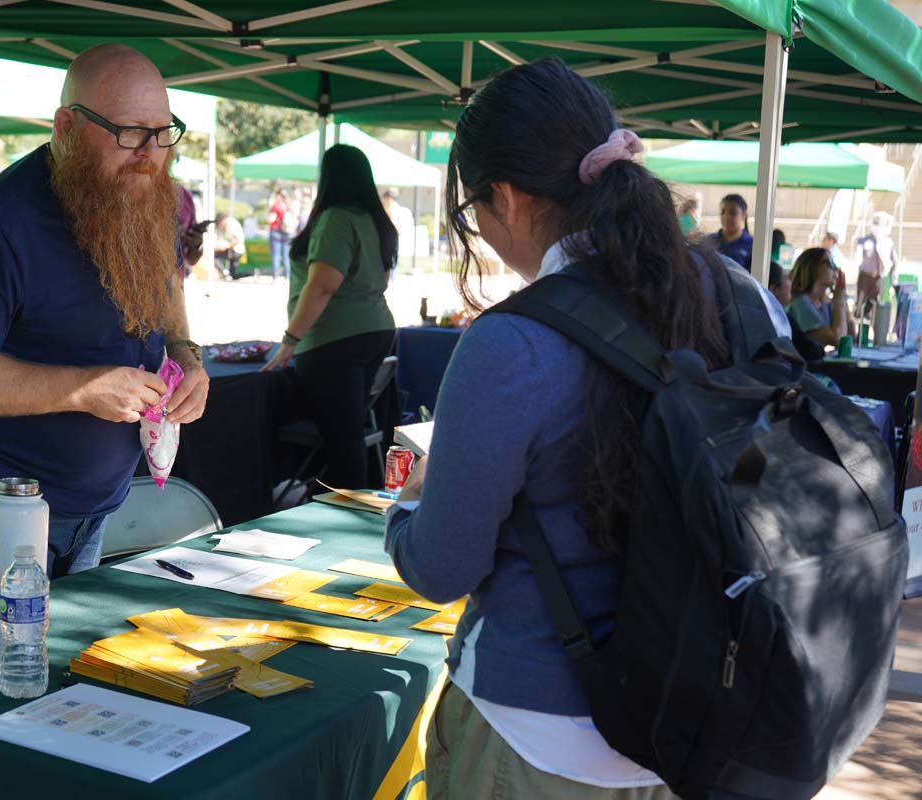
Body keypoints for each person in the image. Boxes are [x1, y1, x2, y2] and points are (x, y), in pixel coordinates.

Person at [384, 59, 739, 800]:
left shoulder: (510, 343)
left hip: (532, 739)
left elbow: (441, 570)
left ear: (505, 198)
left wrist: (407, 504)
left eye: (471, 212)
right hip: (692, 722)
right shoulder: (724, 290)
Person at [0, 44, 209, 591]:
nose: (150, 152)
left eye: (164, 132)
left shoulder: (152, 196)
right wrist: (82, 390)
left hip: (97, 498)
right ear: (67, 127)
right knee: (6, 665)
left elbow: (168, 287)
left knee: (68, 662)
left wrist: (186, 354)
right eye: (130, 132)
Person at [263, 144, 398, 491]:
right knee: (348, 433)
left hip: (334, 338)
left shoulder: (336, 218)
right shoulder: (374, 220)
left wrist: (290, 340)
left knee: (342, 439)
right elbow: (381, 279)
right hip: (376, 330)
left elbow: (323, 285)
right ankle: (350, 499)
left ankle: (345, 510)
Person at [786, 247, 854, 351]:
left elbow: (852, 335)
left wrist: (843, 300)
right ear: (813, 267)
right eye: (829, 262)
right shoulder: (799, 303)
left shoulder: (823, 303)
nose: (835, 268)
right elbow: (838, 340)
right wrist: (839, 301)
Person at [855, 211, 898, 317]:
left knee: (876, 304)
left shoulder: (888, 243)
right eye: (876, 222)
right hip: (865, 276)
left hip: (880, 278)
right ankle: (859, 326)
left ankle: (872, 325)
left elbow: (894, 262)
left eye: (881, 222)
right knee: (860, 304)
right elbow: (858, 258)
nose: (878, 225)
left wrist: (893, 282)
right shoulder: (863, 241)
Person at [707, 193, 753, 271]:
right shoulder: (709, 241)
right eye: (723, 212)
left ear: (743, 216)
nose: (726, 217)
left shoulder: (751, 244)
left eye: (733, 213)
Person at [213, 211, 245, 280]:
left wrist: (226, 247)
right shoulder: (230, 222)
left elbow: (238, 240)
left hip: (235, 250)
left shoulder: (231, 224)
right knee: (233, 274)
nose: (220, 226)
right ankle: (227, 273)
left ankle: (225, 272)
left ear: (222, 220)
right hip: (237, 249)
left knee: (213, 255)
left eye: (219, 224)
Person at [267, 189, 290, 281]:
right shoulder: (288, 207)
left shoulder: (276, 207)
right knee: (286, 257)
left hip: (276, 231)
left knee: (275, 256)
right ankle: (287, 277)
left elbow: (271, 219)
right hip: (287, 233)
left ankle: (275, 277)